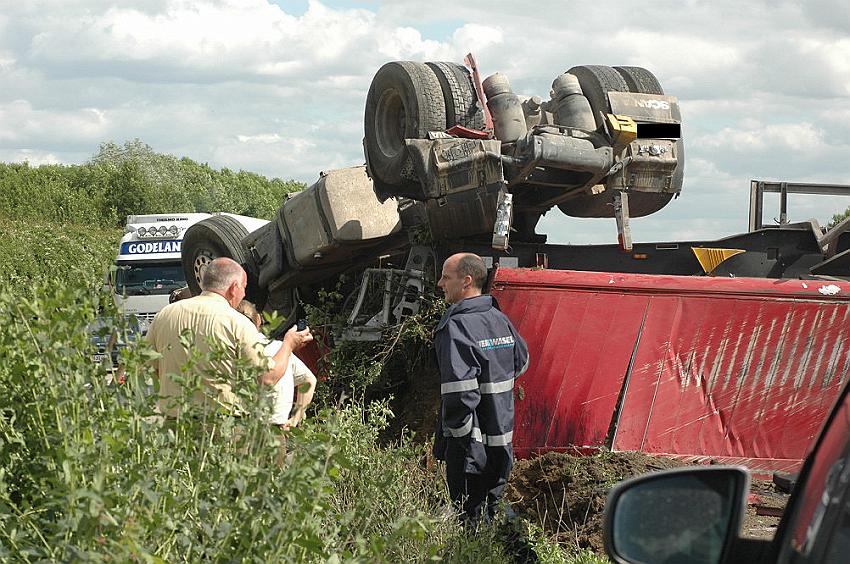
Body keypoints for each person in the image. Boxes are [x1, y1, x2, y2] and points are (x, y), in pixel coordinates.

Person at [146, 257, 312, 418]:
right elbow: (267, 378)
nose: (244, 293)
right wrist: (289, 344)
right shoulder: (236, 322)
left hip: (175, 427)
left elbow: (149, 367)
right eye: (244, 287)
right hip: (222, 428)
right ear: (234, 287)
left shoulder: (164, 315)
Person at [433, 252, 529, 526]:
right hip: (502, 439)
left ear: (466, 281)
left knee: (470, 519)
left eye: (445, 277)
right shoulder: (498, 318)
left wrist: (460, 440)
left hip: (470, 448)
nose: (440, 283)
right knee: (492, 510)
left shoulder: (456, 326)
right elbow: (521, 362)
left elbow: (459, 394)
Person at [235, 300, 317, 430]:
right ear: (259, 320)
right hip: (274, 429)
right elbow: (309, 380)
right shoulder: (280, 349)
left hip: (238, 426)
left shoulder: (229, 350)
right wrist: (295, 418)